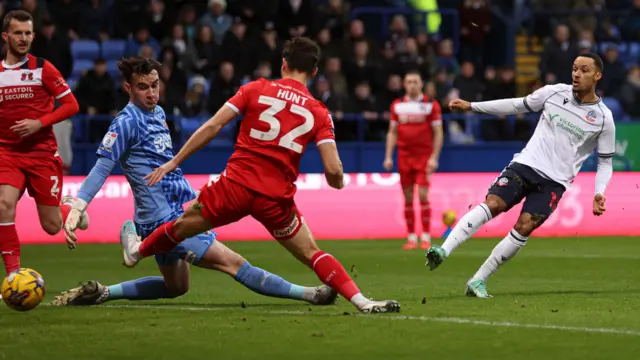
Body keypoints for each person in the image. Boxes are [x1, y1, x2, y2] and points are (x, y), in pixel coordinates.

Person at [117, 37, 400, 314]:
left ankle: (138, 252)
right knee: (312, 253)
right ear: (314, 72)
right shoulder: (318, 111)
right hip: (275, 199)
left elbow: (213, 126)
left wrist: (173, 162)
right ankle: (362, 301)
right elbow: (333, 170)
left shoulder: (255, 89)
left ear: (283, 64)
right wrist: (339, 182)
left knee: (178, 228)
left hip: (234, 187)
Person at [56, 57, 338, 307]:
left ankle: (103, 292)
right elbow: (102, 167)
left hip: (169, 210)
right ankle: (311, 294)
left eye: (155, 85)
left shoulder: (158, 113)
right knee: (235, 264)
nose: (151, 93)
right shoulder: (126, 122)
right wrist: (79, 206)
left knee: (176, 287)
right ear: (128, 88)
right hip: (164, 217)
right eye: (143, 87)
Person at [426, 53, 615, 298]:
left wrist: (600, 191)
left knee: (524, 226)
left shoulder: (603, 119)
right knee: (493, 203)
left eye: (584, 70)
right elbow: (516, 105)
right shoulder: (554, 93)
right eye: (575, 68)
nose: (577, 74)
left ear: (597, 76)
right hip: (526, 165)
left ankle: (478, 280)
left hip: (555, 182)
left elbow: (605, 162)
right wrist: (473, 106)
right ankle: (444, 250)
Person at [0, 10, 87, 276]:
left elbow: (72, 105)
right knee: (3, 205)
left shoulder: (42, 68)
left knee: (51, 226)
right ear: (6, 36)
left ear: (34, 36)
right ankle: (14, 276)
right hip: (7, 152)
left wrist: (40, 123)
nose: (24, 38)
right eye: (18, 33)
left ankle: (71, 208)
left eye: (28, 33)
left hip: (41, 153)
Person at [383, 70, 444, 250]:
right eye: (409, 82)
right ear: (404, 84)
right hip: (404, 156)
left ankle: (425, 236)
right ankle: (411, 237)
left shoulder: (431, 105)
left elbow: (438, 132)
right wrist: (388, 156)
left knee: (423, 195)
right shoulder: (397, 105)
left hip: (423, 156)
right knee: (408, 197)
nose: (412, 85)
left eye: (415, 81)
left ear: (421, 83)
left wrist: (434, 157)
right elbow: (392, 132)